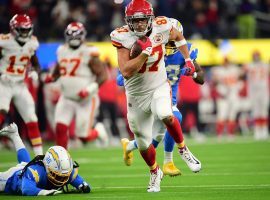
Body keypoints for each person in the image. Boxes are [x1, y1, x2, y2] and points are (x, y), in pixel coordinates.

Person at [110, 0, 201, 192]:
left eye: (144, 20)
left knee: (166, 114)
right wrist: (144, 53)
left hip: (159, 85)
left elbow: (178, 36)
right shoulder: (122, 36)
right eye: (136, 21)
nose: (140, 25)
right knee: (143, 143)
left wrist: (187, 60)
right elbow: (126, 71)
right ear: (128, 21)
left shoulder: (163, 25)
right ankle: (154, 172)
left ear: (150, 18)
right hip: (135, 95)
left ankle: (183, 150)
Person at [45, 22, 108, 149]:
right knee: (60, 128)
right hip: (66, 97)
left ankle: (98, 131)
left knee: (83, 136)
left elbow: (103, 75)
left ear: (83, 35)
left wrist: (89, 89)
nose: (74, 38)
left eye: (77, 35)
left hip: (85, 100)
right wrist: (53, 76)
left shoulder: (89, 51)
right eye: (71, 35)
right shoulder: (62, 50)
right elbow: (60, 68)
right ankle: (62, 160)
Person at [0, 123, 90, 196]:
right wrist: (43, 192)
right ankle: (14, 135)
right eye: (58, 176)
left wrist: (83, 186)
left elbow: (78, 180)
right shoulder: (36, 171)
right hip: (12, 178)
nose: (62, 180)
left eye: (65, 176)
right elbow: (26, 189)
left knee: (24, 163)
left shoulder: (65, 171)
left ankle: (14, 135)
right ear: (47, 167)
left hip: (26, 171)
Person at [0, 14, 43, 155]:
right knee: (2, 110)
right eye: (22, 30)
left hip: (20, 84)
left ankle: (39, 155)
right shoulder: (4, 41)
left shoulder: (33, 42)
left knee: (31, 117)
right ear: (13, 29)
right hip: (4, 82)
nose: (25, 33)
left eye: (27, 30)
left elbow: (35, 63)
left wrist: (34, 71)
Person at [211, 57, 243, 138]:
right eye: (225, 62)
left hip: (233, 95)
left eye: (227, 62)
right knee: (221, 115)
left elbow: (242, 74)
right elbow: (214, 81)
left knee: (232, 115)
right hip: (223, 95)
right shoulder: (219, 70)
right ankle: (219, 134)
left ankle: (230, 134)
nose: (226, 63)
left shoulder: (234, 69)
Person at [244, 51, 269, 140]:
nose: (256, 57)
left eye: (257, 55)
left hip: (263, 90)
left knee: (263, 111)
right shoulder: (249, 65)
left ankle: (264, 130)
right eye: (255, 56)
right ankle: (257, 130)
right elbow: (243, 72)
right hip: (253, 91)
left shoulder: (265, 65)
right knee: (256, 112)